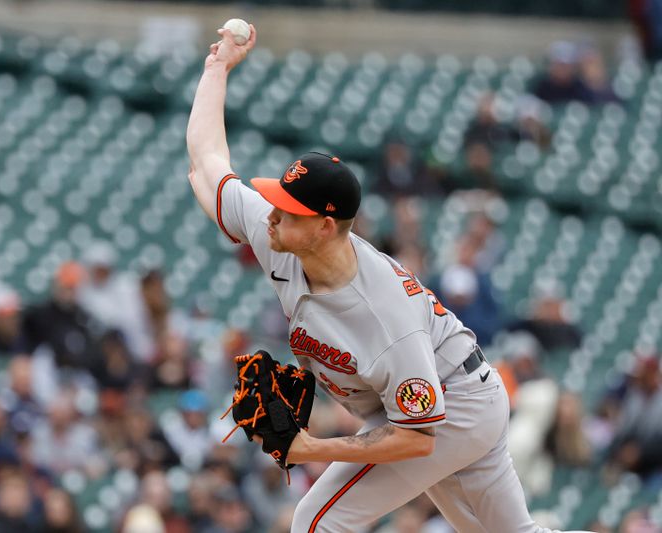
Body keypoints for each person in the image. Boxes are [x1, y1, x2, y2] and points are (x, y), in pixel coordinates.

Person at [185, 24, 591, 533]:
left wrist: (311, 448)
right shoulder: (283, 236)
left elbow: (417, 437)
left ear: (325, 226)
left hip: (450, 405)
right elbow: (207, 164)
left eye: (287, 209)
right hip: (451, 397)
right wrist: (217, 68)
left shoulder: (383, 313)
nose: (271, 215)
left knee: (317, 522)